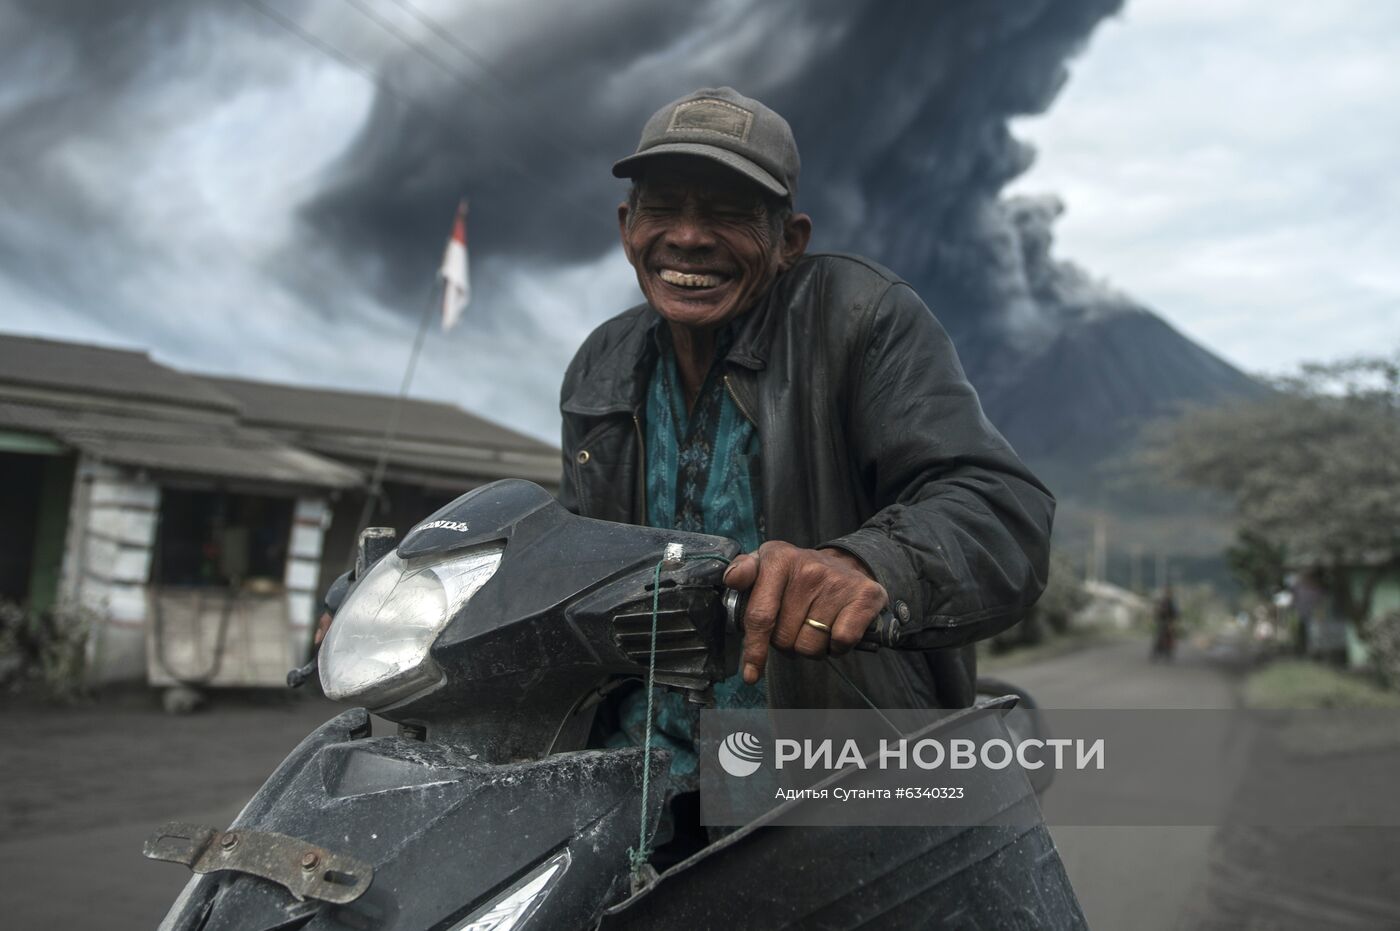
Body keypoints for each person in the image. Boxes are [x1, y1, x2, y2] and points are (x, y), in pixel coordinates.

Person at [559, 86, 1054, 737]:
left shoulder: (861, 318)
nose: (687, 236)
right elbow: (567, 558)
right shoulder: (603, 360)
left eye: (727, 212)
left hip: (822, 772)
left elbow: (1001, 509)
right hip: (632, 766)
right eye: (662, 208)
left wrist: (870, 564)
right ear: (627, 228)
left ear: (789, 240)